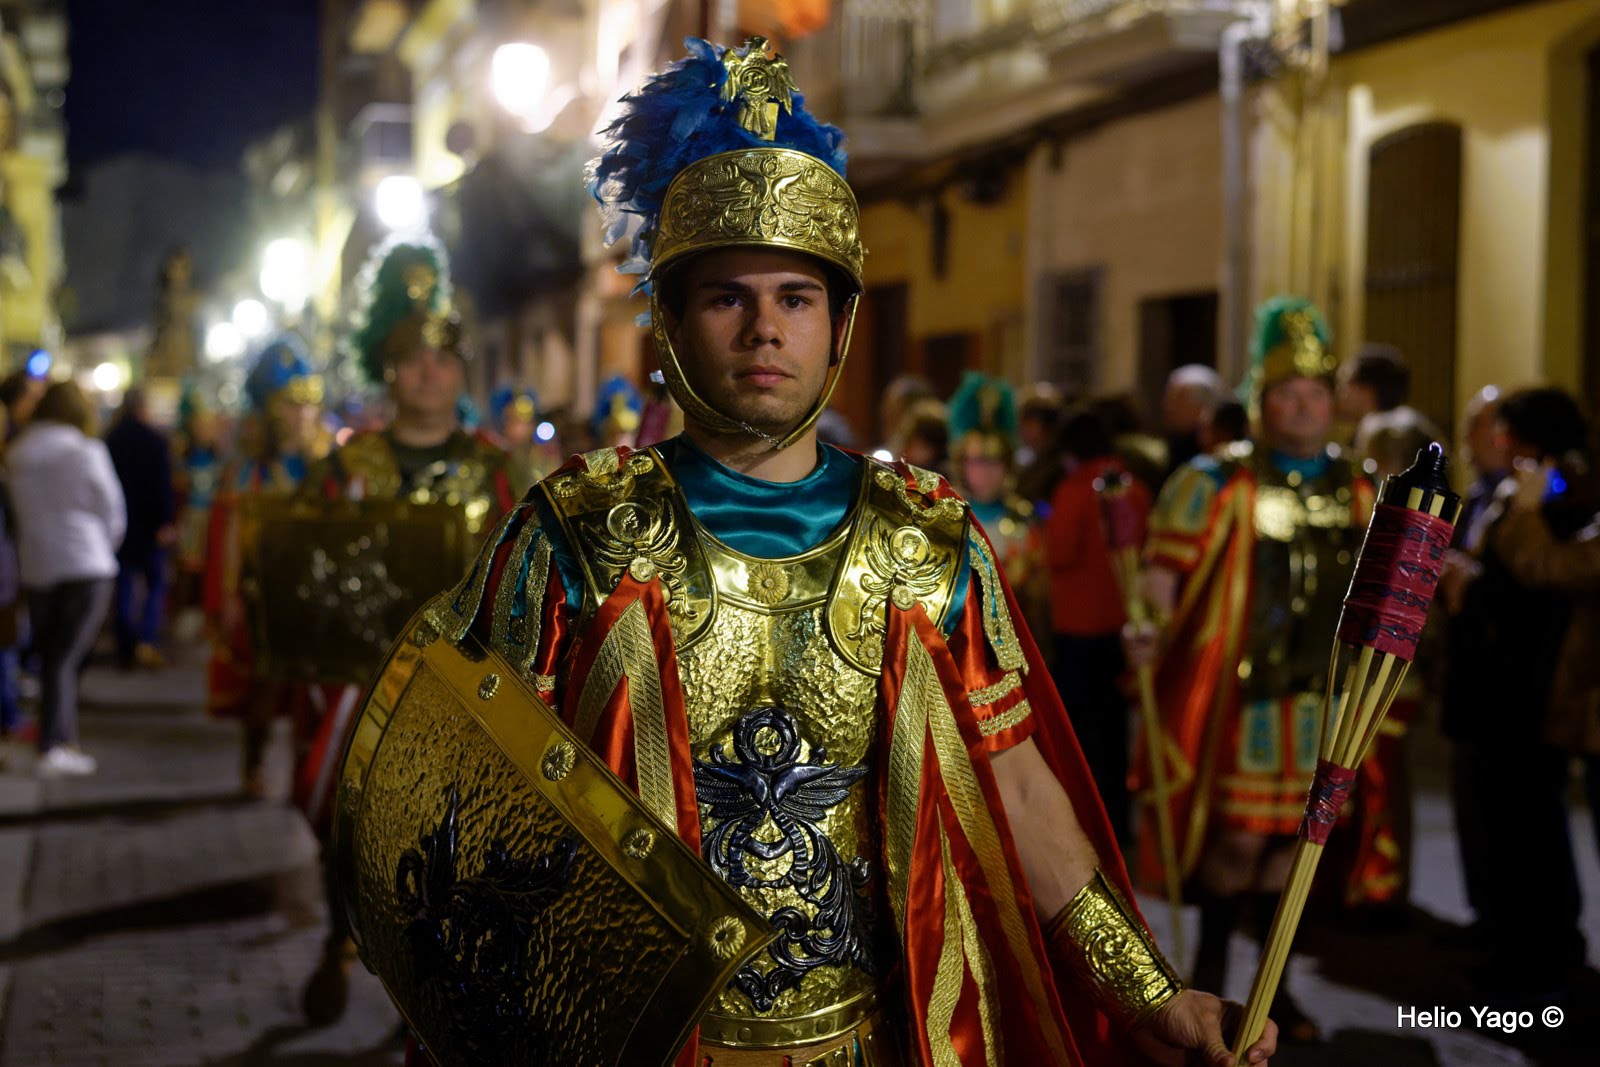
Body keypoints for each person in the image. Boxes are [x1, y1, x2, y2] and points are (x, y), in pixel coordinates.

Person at [356, 37, 1277, 1067]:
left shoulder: (923, 542)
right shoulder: (576, 536)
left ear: (837, 324)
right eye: (725, 298)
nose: (763, 330)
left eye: (794, 298)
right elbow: (464, 805)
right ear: (668, 322)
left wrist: (1149, 991)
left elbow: (1017, 790)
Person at [1131, 296, 1377, 1043]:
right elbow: (1163, 576)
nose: (1301, 407)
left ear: (1332, 403)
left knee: (1295, 843)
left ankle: (1278, 987)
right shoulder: (1216, 479)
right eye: (1286, 394)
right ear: (1261, 402)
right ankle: (1207, 972)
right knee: (1237, 837)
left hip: (1324, 697)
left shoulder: (1361, 489)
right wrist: (1146, 625)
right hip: (1247, 698)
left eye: (1314, 394)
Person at [297, 235, 517, 1027]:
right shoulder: (343, 470)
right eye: (413, 357)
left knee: (446, 844)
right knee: (351, 825)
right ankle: (338, 937)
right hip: (362, 684)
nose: (431, 371)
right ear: (388, 368)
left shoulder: (498, 469)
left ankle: (427, 981)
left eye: (445, 358)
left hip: (461, 690)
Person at [1438, 386, 1591, 997]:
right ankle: (1507, 936)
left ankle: (1542, 956)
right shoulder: (1520, 493)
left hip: (1523, 690)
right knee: (1500, 821)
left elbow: (1538, 581)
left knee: (1530, 829)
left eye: (1502, 430)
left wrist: (1471, 585)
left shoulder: (1558, 497)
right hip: (1493, 685)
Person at [204, 335, 331, 796]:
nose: (301, 416)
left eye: (307, 405)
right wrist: (232, 592)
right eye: (290, 406)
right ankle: (254, 764)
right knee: (260, 689)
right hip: (264, 593)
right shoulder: (248, 472)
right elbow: (233, 536)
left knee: (310, 694)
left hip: (314, 597)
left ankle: (308, 772)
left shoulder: (328, 468)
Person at [5, 381, 126, 776]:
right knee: (65, 658)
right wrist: (105, 546)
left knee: (53, 654)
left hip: (38, 564)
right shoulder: (84, 450)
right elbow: (111, 508)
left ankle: (58, 737)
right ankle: (55, 743)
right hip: (86, 562)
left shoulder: (17, 454)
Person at [1044, 406, 1149, 847]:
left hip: (1080, 628)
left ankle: (1086, 829)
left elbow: (1059, 553)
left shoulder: (1074, 489)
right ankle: (1119, 828)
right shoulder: (1133, 486)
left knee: (1080, 741)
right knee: (1115, 736)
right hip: (1123, 626)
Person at [104, 387, 177, 669]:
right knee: (155, 583)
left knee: (123, 582)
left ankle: (125, 641)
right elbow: (162, 487)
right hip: (149, 526)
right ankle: (146, 639)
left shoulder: (111, 440)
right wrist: (165, 521)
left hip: (121, 525)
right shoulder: (154, 441)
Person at [1162, 364, 1225, 478]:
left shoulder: (1214, 452)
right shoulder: (1173, 447)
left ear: (1201, 406)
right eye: (1168, 399)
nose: (1168, 407)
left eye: (1177, 400)